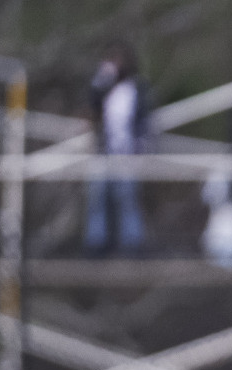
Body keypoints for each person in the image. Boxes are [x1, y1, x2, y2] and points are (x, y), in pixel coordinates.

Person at [86, 42, 149, 256]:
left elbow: (144, 119)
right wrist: (101, 81)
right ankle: (96, 244)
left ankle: (132, 245)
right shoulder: (104, 88)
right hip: (103, 151)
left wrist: (141, 145)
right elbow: (93, 106)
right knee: (97, 199)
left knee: (127, 199)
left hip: (127, 153)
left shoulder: (136, 88)